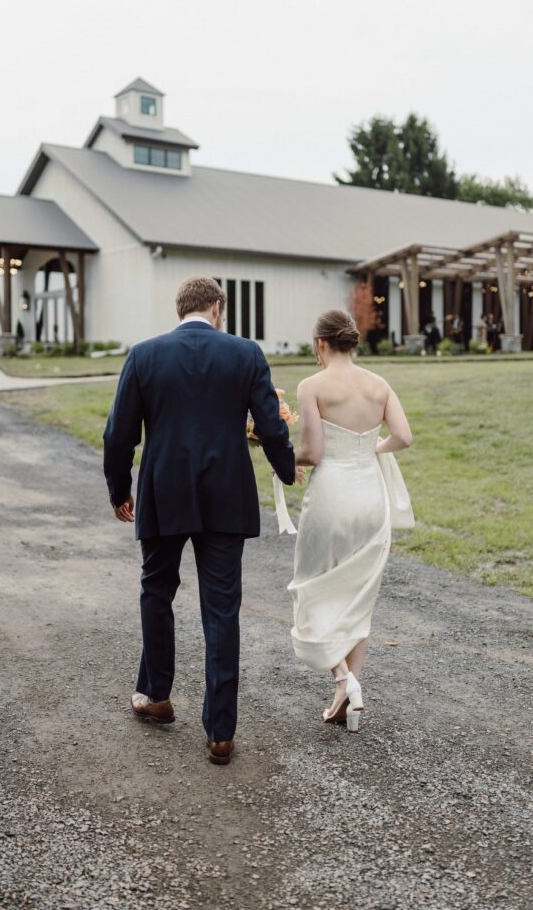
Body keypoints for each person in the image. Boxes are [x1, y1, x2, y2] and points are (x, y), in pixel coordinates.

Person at [103, 275, 298, 765]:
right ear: (217, 307)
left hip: (163, 491)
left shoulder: (144, 355)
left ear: (180, 308)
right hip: (225, 496)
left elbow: (117, 434)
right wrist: (286, 470)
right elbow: (271, 423)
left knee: (157, 589)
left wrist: (119, 490)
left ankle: (155, 695)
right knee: (221, 609)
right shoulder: (245, 353)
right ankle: (220, 733)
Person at [287, 310, 413, 732]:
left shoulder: (312, 385)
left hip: (331, 497)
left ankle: (342, 679)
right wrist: (372, 448)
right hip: (370, 499)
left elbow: (312, 452)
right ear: (352, 342)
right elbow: (404, 437)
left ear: (320, 343)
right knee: (359, 596)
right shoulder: (379, 385)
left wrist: (279, 459)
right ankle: (348, 691)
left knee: (312, 587)